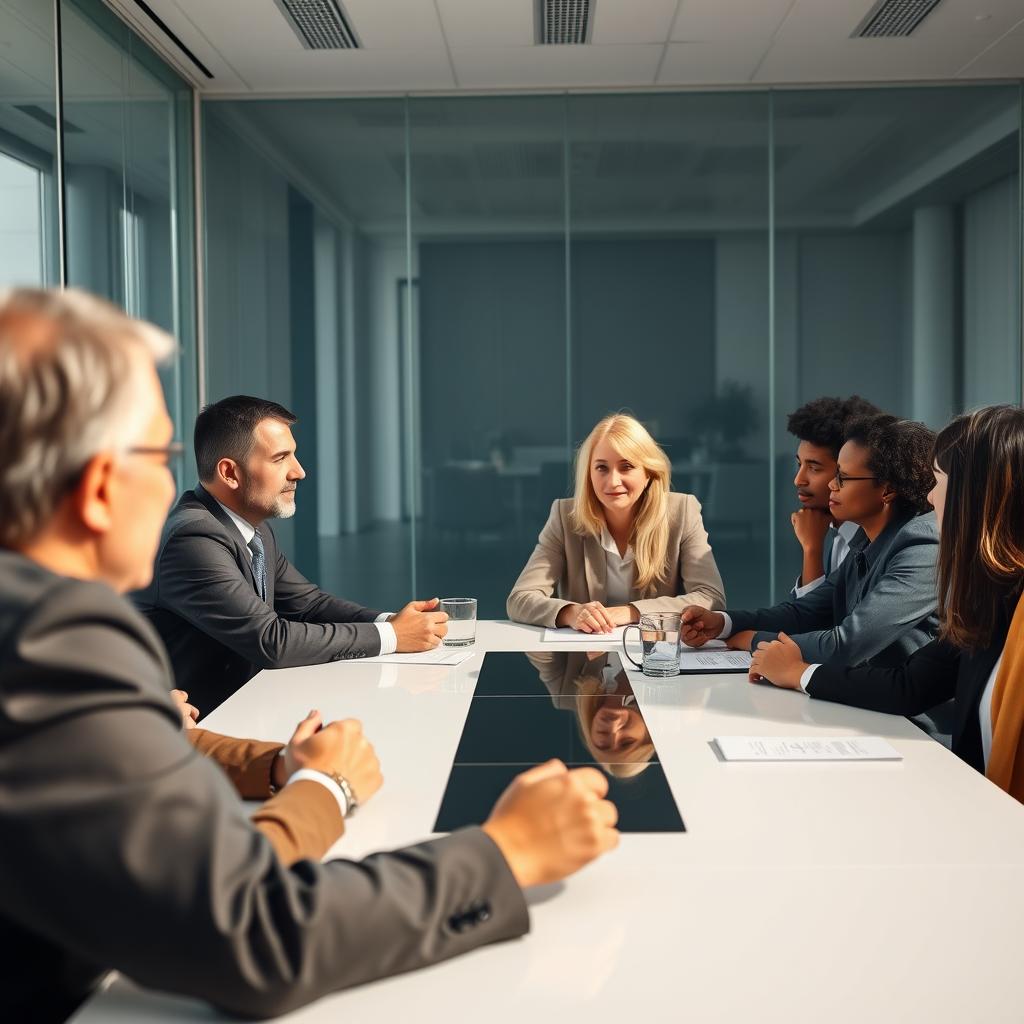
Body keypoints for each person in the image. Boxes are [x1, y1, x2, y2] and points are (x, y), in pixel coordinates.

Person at [0, 288, 619, 1023]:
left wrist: (274, 761)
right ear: (102, 486)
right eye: (162, 455)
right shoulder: (54, 638)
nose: (173, 481)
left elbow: (300, 607)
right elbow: (254, 937)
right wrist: (504, 852)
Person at [748, 406, 1024, 802]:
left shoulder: (927, 550)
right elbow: (910, 685)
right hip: (978, 810)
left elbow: (851, 643)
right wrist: (801, 673)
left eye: (940, 480)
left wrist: (778, 657)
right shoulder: (991, 600)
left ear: (975, 492)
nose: (929, 495)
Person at [135, 395, 449, 712]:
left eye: (293, 456)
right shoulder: (194, 538)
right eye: (280, 458)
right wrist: (393, 636)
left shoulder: (252, 530)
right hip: (201, 729)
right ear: (230, 473)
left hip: (248, 709)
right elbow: (272, 640)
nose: (299, 472)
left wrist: (391, 621)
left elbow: (309, 605)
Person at [681, 414, 939, 668]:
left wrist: (755, 640)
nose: (831, 484)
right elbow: (805, 612)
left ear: (887, 489)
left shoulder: (921, 546)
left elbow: (847, 644)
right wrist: (724, 623)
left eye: (843, 477)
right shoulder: (867, 539)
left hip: (904, 709)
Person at [507, 413, 725, 633]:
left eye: (626, 466)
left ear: (649, 472)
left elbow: (711, 598)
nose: (612, 481)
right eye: (601, 468)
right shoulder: (565, 516)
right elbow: (519, 599)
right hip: (584, 662)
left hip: (654, 660)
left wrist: (629, 612)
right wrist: (572, 613)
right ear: (588, 475)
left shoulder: (682, 511)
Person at [786, 395, 881, 598]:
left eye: (813, 468)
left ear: (845, 469)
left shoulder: (875, 541)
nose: (798, 480)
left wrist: (812, 550)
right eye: (799, 464)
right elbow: (802, 615)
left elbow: (815, 623)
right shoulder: (832, 530)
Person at [527, 651, 656, 778]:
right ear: (647, 735)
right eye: (626, 742)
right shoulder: (662, 695)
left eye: (604, 743)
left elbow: (532, 643)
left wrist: (575, 631)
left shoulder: (566, 692)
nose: (612, 729)